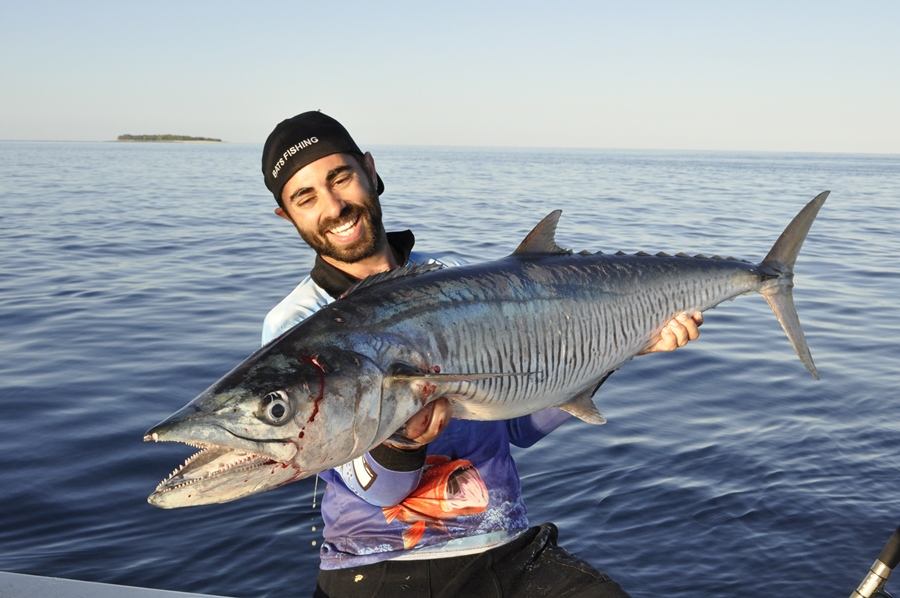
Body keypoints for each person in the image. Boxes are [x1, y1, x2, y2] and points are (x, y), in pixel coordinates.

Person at [260, 111, 702, 598]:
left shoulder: (453, 281)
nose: (335, 206)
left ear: (369, 170)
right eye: (306, 196)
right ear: (287, 215)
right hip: (379, 565)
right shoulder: (296, 325)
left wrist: (622, 345)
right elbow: (381, 490)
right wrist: (404, 441)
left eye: (340, 178)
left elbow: (518, 425)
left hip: (506, 552)